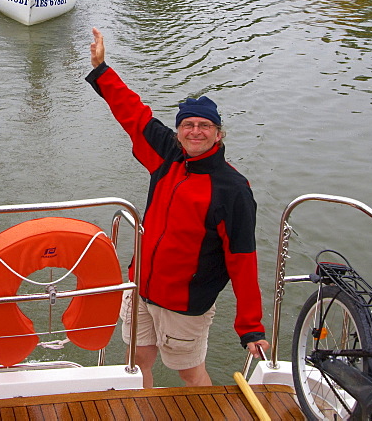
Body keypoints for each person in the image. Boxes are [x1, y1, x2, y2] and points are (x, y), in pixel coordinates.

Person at [85, 27, 268, 388]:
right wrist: (102, 68)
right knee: (138, 361)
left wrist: (251, 328)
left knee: (188, 371)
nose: (195, 131)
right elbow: (133, 113)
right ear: (178, 131)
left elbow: (243, 259)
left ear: (219, 133)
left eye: (204, 126)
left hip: (185, 305)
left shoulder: (233, 190)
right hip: (141, 286)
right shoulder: (168, 156)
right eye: (187, 125)